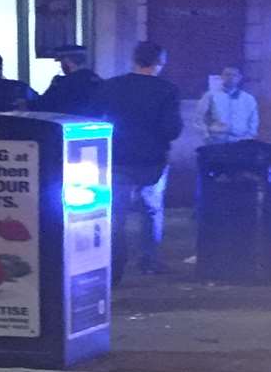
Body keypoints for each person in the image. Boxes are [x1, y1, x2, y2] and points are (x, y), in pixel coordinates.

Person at [96, 41, 182, 281]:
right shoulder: (167, 90)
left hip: (117, 158)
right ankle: (148, 260)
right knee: (151, 212)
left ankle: (114, 266)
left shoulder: (111, 86)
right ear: (159, 62)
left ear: (134, 59)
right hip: (151, 161)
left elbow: (95, 118)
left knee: (116, 215)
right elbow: (172, 129)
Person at [195, 65, 259, 144]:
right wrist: (206, 136)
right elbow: (199, 118)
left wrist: (249, 137)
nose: (231, 77)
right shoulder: (210, 96)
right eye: (227, 74)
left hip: (240, 141)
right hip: (216, 141)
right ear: (222, 77)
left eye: (234, 75)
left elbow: (253, 120)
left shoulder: (248, 99)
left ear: (239, 78)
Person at [38, 45, 103, 115]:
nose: (61, 66)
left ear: (67, 61)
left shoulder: (64, 82)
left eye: (61, 63)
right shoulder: (97, 79)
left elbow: (45, 104)